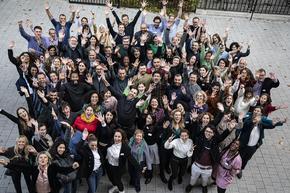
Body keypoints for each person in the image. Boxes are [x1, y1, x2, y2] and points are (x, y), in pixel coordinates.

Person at [106, 129, 140, 193]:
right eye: (115, 136)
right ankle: (115, 186)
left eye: (119, 137)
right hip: (109, 165)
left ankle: (121, 191)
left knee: (118, 181)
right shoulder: (110, 142)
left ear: (122, 138)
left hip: (118, 168)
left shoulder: (125, 148)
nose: (116, 138)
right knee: (111, 178)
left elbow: (131, 158)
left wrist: (139, 167)